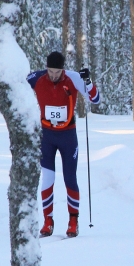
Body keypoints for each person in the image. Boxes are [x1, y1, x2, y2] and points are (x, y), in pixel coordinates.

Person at [27, 51, 100, 238]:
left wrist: (88, 82)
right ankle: (48, 221)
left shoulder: (73, 78)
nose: (53, 76)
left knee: (70, 178)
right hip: (47, 136)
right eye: (50, 72)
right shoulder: (36, 78)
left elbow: (95, 99)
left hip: (67, 136)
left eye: (57, 72)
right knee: (48, 179)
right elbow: (16, 86)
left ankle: (73, 221)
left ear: (63, 70)